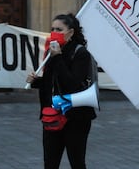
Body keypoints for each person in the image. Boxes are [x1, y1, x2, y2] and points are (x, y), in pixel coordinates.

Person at [26, 13, 97, 169]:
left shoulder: (80, 54)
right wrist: (36, 81)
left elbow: (72, 84)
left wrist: (57, 58)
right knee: (50, 163)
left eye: (59, 29)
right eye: (52, 29)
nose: (54, 32)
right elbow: (52, 83)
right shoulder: (52, 52)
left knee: (77, 162)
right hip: (53, 115)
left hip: (76, 117)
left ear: (70, 33)